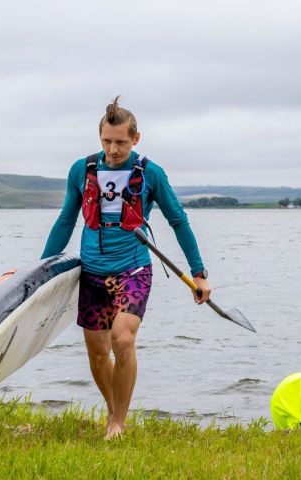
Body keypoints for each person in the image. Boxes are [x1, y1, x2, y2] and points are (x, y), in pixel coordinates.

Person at [41, 96, 211, 439]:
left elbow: (179, 221)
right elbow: (65, 222)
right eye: (107, 141)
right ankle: (114, 413)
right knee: (98, 352)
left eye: (120, 142)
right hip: (91, 272)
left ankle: (118, 421)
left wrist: (199, 273)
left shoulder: (151, 173)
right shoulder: (82, 170)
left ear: (136, 138)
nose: (113, 149)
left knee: (122, 339)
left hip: (133, 269)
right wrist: (42, 268)